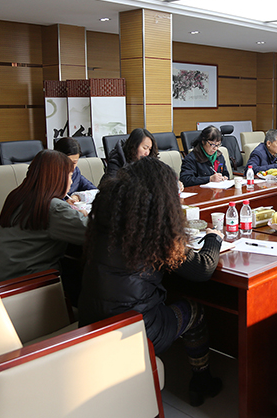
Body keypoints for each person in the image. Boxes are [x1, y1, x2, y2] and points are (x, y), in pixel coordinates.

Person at [78, 157, 223, 407]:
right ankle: (202, 382)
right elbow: (203, 268)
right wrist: (214, 238)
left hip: (93, 320)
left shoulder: (105, 220)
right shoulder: (153, 232)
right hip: (135, 331)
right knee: (194, 310)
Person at [0, 150, 88, 283]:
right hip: (24, 282)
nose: (71, 181)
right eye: (70, 176)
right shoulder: (52, 207)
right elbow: (93, 232)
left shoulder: (17, 195)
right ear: (58, 178)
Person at [54, 137, 97, 203]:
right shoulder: (49, 175)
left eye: (74, 163)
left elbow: (95, 191)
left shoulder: (75, 172)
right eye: (66, 162)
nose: (70, 166)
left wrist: (77, 196)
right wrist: (66, 204)